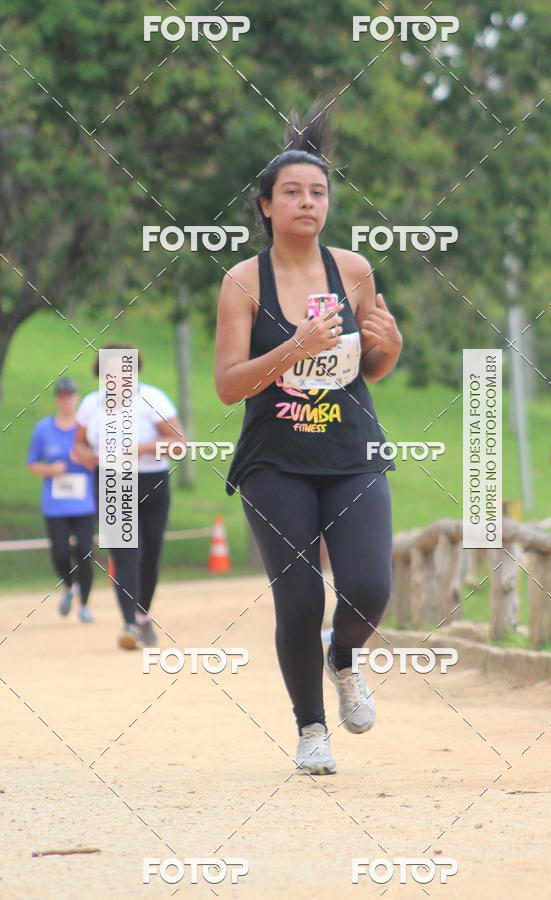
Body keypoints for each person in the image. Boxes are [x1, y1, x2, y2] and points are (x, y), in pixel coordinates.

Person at [215, 105, 402, 775]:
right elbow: (230, 385)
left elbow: (370, 366)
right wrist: (293, 346)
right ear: (265, 205)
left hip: (351, 452)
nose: (307, 202)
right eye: (292, 192)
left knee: (367, 587)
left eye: (318, 193)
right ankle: (311, 727)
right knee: (299, 595)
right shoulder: (243, 281)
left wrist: (392, 347)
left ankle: (344, 660)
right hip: (275, 461)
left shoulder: (352, 271)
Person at [72, 344, 184, 650]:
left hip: (151, 481)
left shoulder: (151, 398)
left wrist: (142, 449)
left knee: (149, 557)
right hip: (112, 481)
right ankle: (129, 625)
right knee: (124, 555)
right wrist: (88, 456)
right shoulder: (90, 404)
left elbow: (178, 444)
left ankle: (142, 614)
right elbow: (77, 447)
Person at [27, 377, 96, 622]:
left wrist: (85, 460)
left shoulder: (87, 428)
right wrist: (50, 470)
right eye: (63, 396)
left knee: (85, 552)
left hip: (85, 502)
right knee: (60, 552)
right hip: (55, 504)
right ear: (58, 399)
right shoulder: (43, 429)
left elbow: (103, 460)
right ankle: (70, 586)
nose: (67, 400)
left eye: (71, 395)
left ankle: (85, 604)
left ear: (77, 398)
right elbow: (32, 464)